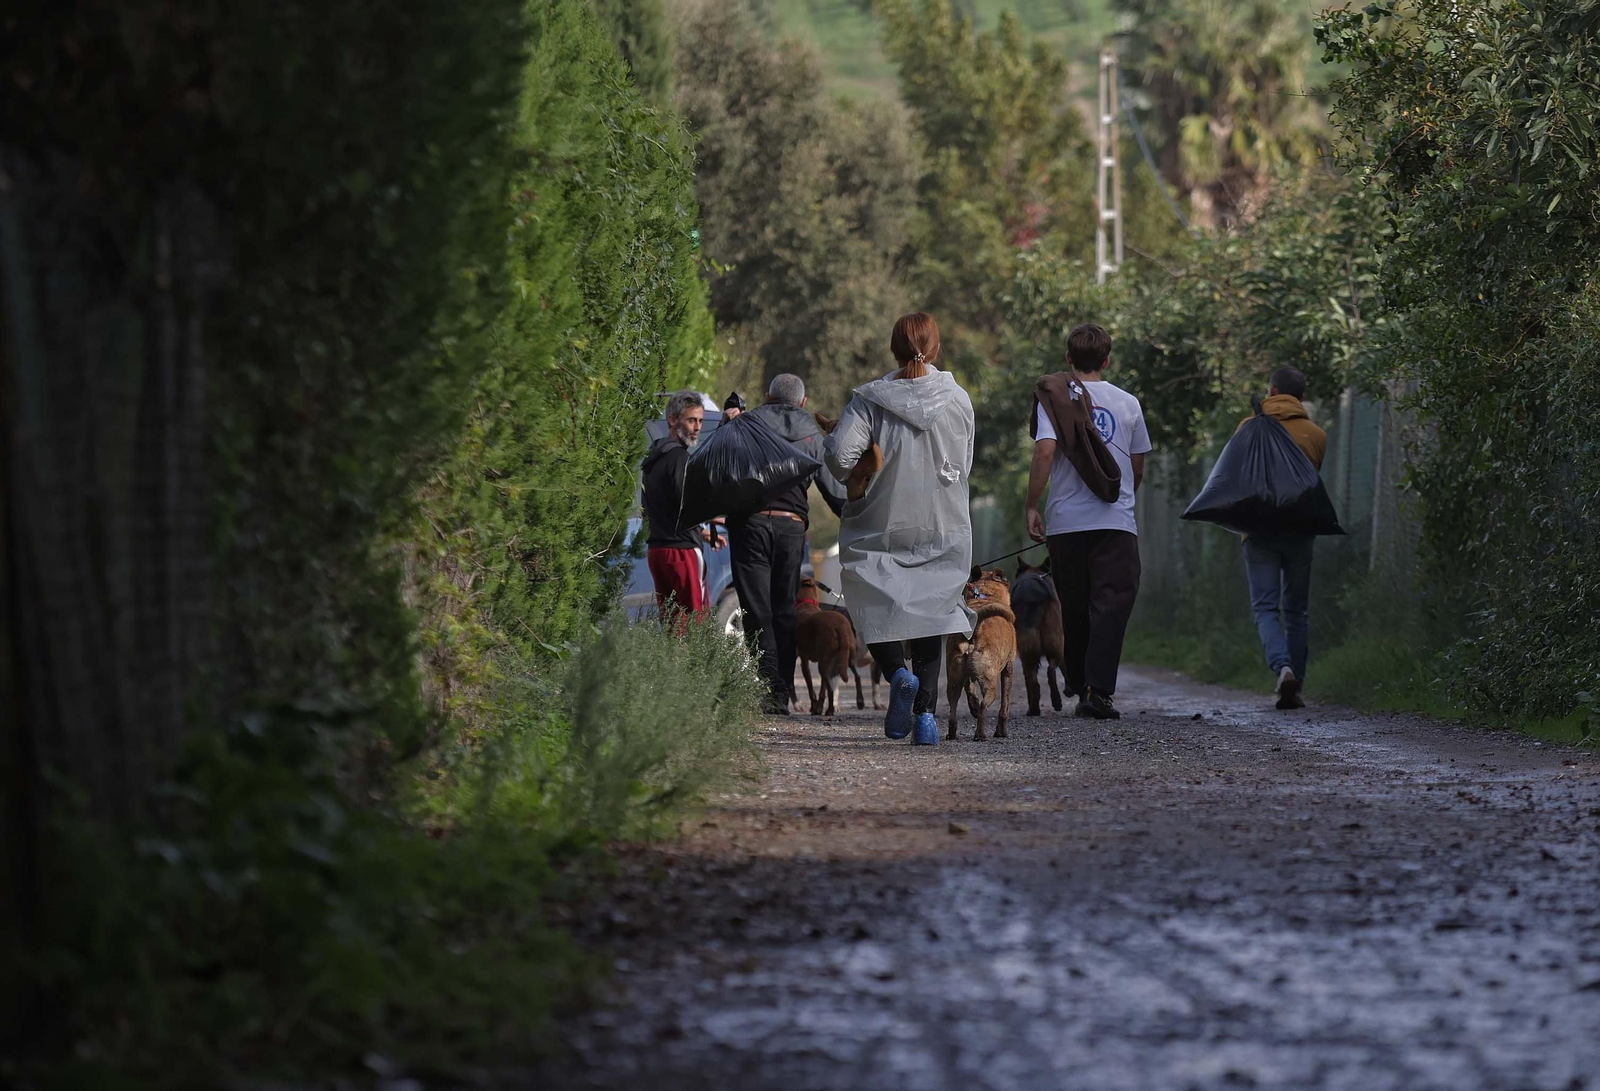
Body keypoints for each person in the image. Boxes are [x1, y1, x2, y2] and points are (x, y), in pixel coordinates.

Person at [826, 312, 975, 746]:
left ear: (893, 348)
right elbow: (963, 464)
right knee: (933, 610)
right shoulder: (958, 398)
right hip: (943, 519)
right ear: (936, 348)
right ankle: (926, 718)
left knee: (871, 599)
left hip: (881, 520)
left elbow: (839, 458)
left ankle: (897, 675)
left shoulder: (871, 399)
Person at [1024, 323, 1152, 720]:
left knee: (1075, 607)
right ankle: (1098, 690)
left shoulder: (1056, 400)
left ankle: (1080, 683)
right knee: (1111, 606)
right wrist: (1122, 502)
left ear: (1069, 359)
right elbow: (1136, 465)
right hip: (1115, 523)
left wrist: (1032, 504)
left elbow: (1045, 452)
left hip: (1067, 523)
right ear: (1107, 360)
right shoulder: (1128, 403)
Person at [727, 374, 847, 715]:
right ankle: (780, 691)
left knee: (755, 608)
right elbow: (835, 495)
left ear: (766, 397)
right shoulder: (812, 433)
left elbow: (720, 465)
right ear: (804, 403)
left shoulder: (746, 424)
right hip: (791, 529)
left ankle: (771, 689)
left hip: (749, 526)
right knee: (783, 610)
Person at [1236, 366, 1328, 710]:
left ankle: (1282, 667)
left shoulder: (1248, 428)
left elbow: (1238, 473)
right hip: (1300, 529)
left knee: (1265, 607)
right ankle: (1297, 684)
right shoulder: (1316, 435)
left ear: (1271, 392)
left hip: (1259, 529)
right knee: (1297, 611)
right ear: (1301, 398)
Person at [641, 390, 722, 628]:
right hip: (682, 552)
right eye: (691, 420)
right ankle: (697, 666)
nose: (697, 427)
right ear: (673, 420)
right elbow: (687, 503)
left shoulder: (653, 458)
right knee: (697, 623)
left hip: (658, 551)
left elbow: (662, 507)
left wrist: (702, 533)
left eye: (699, 421)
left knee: (673, 624)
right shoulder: (679, 458)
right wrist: (718, 517)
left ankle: (674, 665)